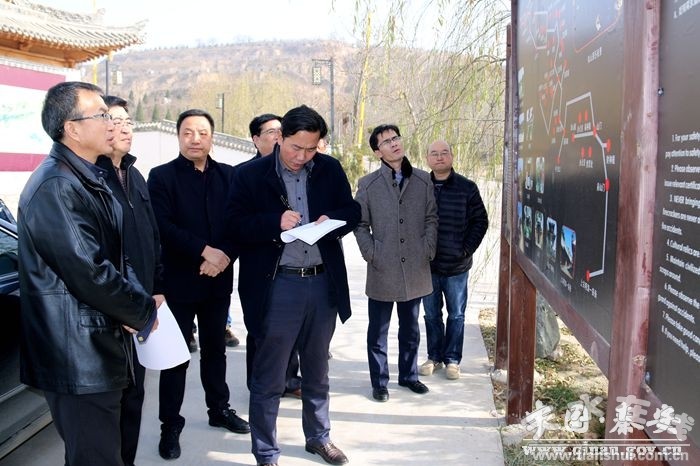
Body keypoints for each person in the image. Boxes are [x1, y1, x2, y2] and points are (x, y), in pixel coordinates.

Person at [17, 81, 159, 466]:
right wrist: (142, 310)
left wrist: (136, 302)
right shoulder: (57, 185)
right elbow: (90, 272)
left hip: (95, 348)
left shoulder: (85, 177)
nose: (112, 123)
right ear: (73, 129)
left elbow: (116, 256)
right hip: (77, 354)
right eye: (101, 115)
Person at [228, 105, 360, 466]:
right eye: (295, 148)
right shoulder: (251, 175)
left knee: (317, 369)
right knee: (270, 375)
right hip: (278, 286)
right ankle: (266, 452)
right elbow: (234, 225)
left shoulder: (329, 169)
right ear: (280, 137)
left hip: (322, 282)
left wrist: (333, 219)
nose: (302, 157)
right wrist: (274, 222)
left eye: (311, 149)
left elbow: (353, 212)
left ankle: (318, 437)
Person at [147, 109, 249, 460]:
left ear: (212, 137)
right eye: (188, 132)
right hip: (178, 282)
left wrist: (223, 257)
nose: (195, 139)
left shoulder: (230, 176)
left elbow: (239, 224)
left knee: (215, 350)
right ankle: (170, 425)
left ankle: (219, 409)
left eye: (202, 132)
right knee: (176, 358)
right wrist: (205, 251)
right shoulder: (161, 177)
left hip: (218, 281)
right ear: (178, 136)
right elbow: (162, 226)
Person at [95, 95, 165, 466]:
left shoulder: (135, 174)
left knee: (135, 394)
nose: (124, 129)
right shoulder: (91, 178)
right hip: (109, 312)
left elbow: (152, 235)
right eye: (115, 120)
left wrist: (157, 287)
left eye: (128, 122)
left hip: (140, 306)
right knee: (110, 402)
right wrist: (123, 305)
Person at [354, 124, 438, 403]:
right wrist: (372, 253)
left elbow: (431, 218)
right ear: (378, 152)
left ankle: (409, 375)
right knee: (378, 331)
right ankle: (379, 382)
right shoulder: (368, 184)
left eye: (396, 138)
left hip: (415, 266)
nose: (394, 143)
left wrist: (427, 248)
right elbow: (360, 225)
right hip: (382, 267)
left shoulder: (423, 180)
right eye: (386, 141)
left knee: (411, 327)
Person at [419, 140, 488, 380]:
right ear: (427, 158)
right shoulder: (420, 187)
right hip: (427, 265)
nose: (439, 157)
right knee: (431, 315)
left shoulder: (467, 187)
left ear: (452, 156)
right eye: (434, 153)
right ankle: (434, 357)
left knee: (456, 314)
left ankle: (452, 360)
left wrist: (466, 249)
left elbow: (481, 221)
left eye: (444, 153)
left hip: (457, 266)